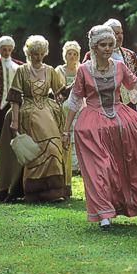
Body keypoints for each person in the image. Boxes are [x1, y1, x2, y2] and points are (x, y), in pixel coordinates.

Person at [63, 25, 137, 229]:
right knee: (100, 168)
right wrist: (65, 130)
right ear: (94, 47)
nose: (107, 48)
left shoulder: (119, 67)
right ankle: (104, 213)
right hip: (92, 126)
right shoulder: (84, 70)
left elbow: (135, 84)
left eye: (110, 44)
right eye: (102, 45)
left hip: (120, 121)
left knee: (135, 160)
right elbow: (75, 101)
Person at [4, 35, 69, 202]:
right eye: (35, 54)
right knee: (36, 151)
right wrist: (15, 120)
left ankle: (54, 192)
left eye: (41, 53)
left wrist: (78, 82)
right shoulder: (21, 70)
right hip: (28, 112)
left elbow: (60, 92)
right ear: (29, 53)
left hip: (48, 110)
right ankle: (33, 192)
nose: (38, 57)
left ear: (45, 53)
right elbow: (15, 97)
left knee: (54, 148)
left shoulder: (50, 71)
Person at [82, 19, 137, 109]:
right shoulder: (92, 55)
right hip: (104, 105)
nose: (120, 36)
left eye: (121, 33)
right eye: (116, 33)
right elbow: (82, 79)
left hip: (129, 104)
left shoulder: (129, 54)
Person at [55, 40, 82, 176]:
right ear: (65, 55)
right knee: (67, 132)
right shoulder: (60, 70)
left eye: (75, 54)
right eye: (69, 54)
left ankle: (78, 165)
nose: (72, 56)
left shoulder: (81, 69)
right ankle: (67, 164)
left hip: (80, 103)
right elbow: (59, 90)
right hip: (65, 103)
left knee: (78, 133)